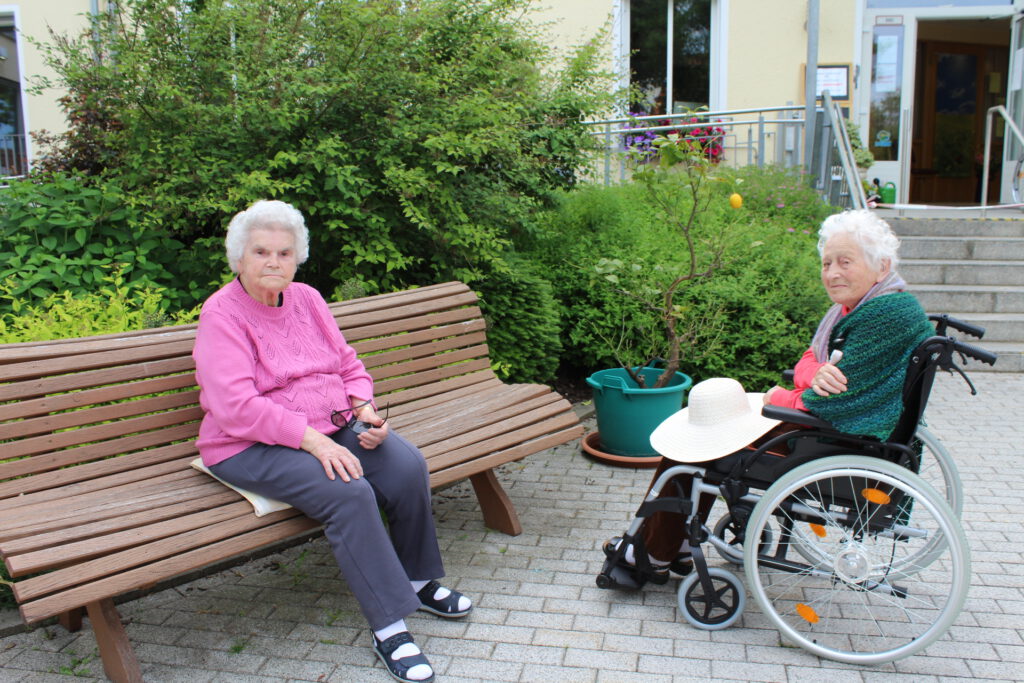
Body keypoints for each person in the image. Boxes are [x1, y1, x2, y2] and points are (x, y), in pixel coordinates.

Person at [193, 199, 470, 683]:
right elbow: (233, 405)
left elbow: (348, 366)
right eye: (260, 252)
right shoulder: (222, 314)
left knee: (405, 465)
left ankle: (419, 580)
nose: (273, 262)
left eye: (283, 252)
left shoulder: (308, 299)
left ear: (297, 257)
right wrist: (313, 442)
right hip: (248, 444)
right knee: (349, 491)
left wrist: (366, 412)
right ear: (238, 259)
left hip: (329, 423)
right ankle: (390, 627)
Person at [604, 208, 934, 581]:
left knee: (698, 443)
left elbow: (835, 402)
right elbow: (810, 361)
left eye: (845, 262)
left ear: (881, 265)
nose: (832, 273)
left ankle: (651, 553)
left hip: (836, 441)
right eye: (827, 263)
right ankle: (668, 545)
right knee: (706, 434)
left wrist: (779, 398)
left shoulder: (882, 317)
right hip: (836, 437)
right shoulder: (864, 306)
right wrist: (810, 376)